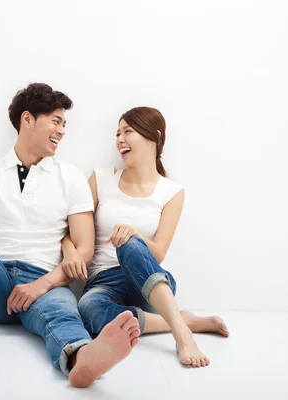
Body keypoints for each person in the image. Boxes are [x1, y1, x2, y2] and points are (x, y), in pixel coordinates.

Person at [0, 83, 140, 388]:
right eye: (56, 121)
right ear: (27, 119)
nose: (62, 131)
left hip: (44, 282)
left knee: (62, 314)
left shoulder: (69, 177)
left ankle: (82, 358)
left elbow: (83, 248)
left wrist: (41, 285)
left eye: (64, 124)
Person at [61, 106, 229, 368]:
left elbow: (159, 252)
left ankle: (182, 335)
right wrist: (70, 252)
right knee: (87, 310)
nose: (120, 139)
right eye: (118, 133)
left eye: (128, 131)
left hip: (149, 283)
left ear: (154, 137)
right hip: (103, 284)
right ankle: (181, 319)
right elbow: (69, 232)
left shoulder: (172, 191)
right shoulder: (101, 179)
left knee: (129, 243)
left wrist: (135, 236)